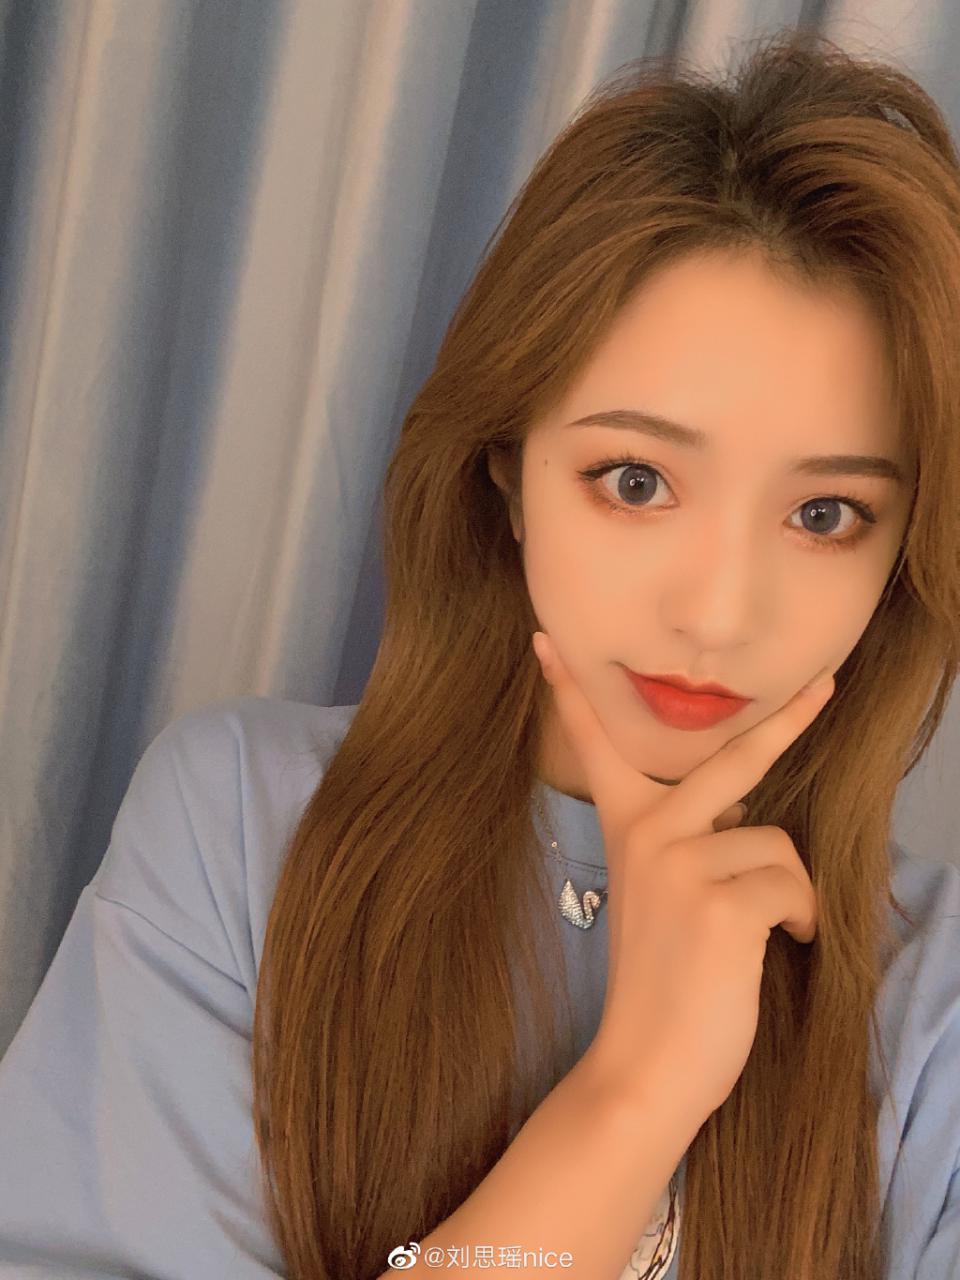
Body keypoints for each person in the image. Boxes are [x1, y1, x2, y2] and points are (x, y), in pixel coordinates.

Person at [1, 24, 959, 1280]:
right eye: (636, 479)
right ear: (506, 471)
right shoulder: (240, 827)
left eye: (825, 513)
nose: (721, 613)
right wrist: (638, 1087)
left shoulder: (931, 998)